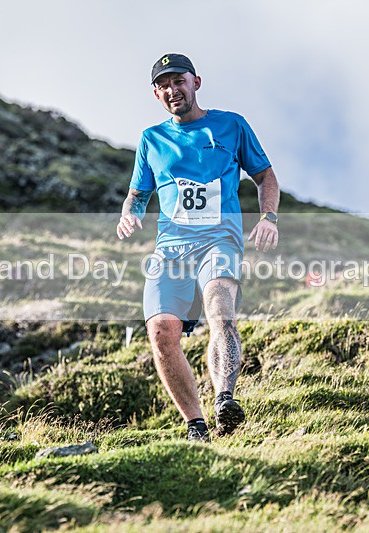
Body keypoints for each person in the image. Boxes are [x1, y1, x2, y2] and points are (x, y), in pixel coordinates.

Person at [116, 53, 280, 442]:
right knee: (160, 333)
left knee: (220, 308)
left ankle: (225, 399)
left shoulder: (231, 125)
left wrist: (268, 218)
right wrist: (131, 214)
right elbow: (137, 193)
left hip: (218, 241)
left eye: (180, 81)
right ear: (156, 93)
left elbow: (265, 176)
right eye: (165, 85)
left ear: (196, 82)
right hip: (171, 249)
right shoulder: (151, 139)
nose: (174, 90)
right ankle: (196, 425)